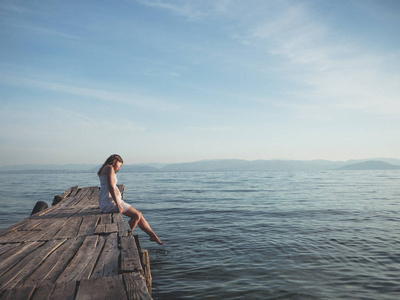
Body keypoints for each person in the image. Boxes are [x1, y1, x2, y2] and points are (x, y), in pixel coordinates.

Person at [98, 154, 164, 245]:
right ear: (115, 161)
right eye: (120, 165)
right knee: (137, 215)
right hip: (110, 202)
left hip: (109, 200)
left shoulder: (105, 168)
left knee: (139, 214)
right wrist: (118, 204)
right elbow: (110, 186)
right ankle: (125, 236)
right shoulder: (109, 168)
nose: (119, 168)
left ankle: (153, 235)